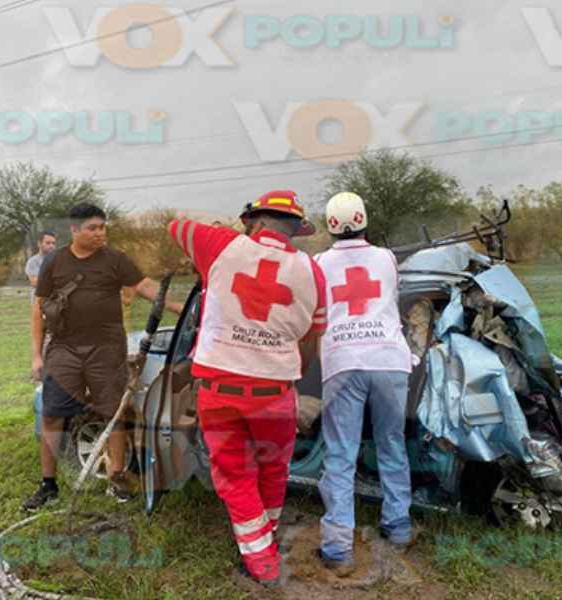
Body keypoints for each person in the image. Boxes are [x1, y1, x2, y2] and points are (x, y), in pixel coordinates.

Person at [167, 191, 327, 587]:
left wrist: (226, 229)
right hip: (277, 394)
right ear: (295, 230)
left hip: (222, 392)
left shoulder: (222, 246)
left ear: (254, 221)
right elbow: (311, 338)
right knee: (273, 470)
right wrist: (292, 371)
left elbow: (176, 225)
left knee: (235, 477)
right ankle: (265, 537)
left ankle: (262, 563)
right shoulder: (312, 271)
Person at [24, 202, 183, 511]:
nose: (100, 233)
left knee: (114, 413)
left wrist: (182, 307)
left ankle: (117, 480)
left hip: (107, 350)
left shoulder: (115, 260)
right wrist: (36, 355)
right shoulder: (54, 263)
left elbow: (146, 287)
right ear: (74, 230)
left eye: (102, 227)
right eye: (92, 228)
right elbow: (38, 309)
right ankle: (48, 484)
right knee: (53, 414)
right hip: (64, 350)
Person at [313, 192, 414, 576]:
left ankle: (338, 547)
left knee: (340, 454)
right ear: (365, 220)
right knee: (391, 443)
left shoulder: (319, 263)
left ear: (330, 226)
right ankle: (398, 525)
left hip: (342, 362)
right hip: (390, 360)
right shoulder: (387, 258)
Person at [25, 231, 56, 305]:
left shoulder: (58, 259)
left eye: (53, 243)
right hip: (39, 303)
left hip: (56, 302)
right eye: (48, 243)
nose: (51, 246)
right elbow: (35, 282)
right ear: (39, 244)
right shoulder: (33, 261)